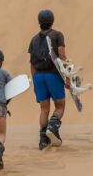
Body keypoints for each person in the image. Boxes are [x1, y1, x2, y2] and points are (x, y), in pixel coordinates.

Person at [27, 9, 70, 150]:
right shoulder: (57, 35)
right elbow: (62, 56)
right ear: (52, 20)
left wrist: (35, 82)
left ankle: (43, 140)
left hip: (38, 76)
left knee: (44, 109)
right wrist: (68, 76)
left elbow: (31, 64)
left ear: (39, 22)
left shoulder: (33, 39)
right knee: (60, 106)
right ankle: (52, 126)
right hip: (53, 74)